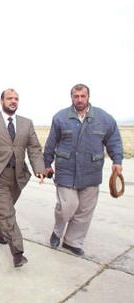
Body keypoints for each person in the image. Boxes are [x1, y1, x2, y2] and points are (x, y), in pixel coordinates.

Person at [44, 84, 123, 256]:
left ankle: (72, 241)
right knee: (67, 206)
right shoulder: (60, 117)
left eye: (83, 96)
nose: (79, 99)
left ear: (88, 97)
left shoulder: (104, 118)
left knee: (85, 210)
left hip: (91, 171)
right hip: (66, 171)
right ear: (71, 97)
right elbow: (51, 143)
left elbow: (114, 140)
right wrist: (47, 163)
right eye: (76, 96)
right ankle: (57, 231)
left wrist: (117, 161)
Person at [0, 88, 45, 267]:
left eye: (16, 98)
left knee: (4, 211)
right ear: (1, 101)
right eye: (9, 98)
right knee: (7, 213)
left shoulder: (26, 123)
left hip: (18, 176)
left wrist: (39, 168)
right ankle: (17, 252)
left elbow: (34, 147)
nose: (13, 101)